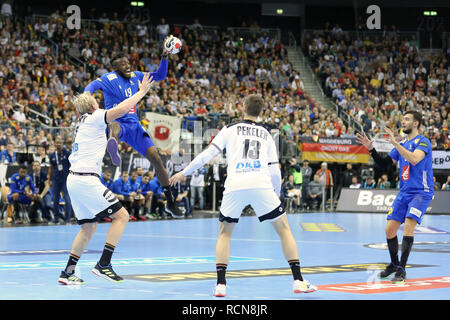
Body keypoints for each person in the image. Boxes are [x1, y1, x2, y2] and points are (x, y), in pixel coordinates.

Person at [169, 94, 317, 297]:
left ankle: (221, 285)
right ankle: (298, 280)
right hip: (261, 184)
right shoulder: (266, 133)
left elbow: (207, 154)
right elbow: (275, 170)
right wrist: (274, 195)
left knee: (224, 233)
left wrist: (183, 172)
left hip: (235, 184)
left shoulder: (229, 129)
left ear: (244, 107)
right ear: (261, 111)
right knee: (284, 230)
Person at [58, 72, 154, 285]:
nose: (98, 100)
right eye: (95, 99)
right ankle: (104, 264)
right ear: (92, 105)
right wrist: (141, 92)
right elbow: (120, 110)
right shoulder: (94, 117)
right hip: (85, 179)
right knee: (122, 216)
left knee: (88, 227)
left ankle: (68, 272)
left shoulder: (82, 121)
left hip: (74, 179)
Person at [84, 40, 183, 218]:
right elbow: (90, 86)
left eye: (128, 62)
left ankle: (170, 201)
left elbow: (160, 75)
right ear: (115, 68)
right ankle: (112, 144)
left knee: (156, 159)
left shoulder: (137, 75)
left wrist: (165, 55)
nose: (127, 65)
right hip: (118, 122)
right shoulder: (109, 78)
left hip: (134, 126)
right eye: (123, 64)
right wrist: (87, 98)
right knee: (112, 125)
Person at [356, 110, 434, 284]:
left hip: (421, 192)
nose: (403, 122)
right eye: (403, 119)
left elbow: (414, 159)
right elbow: (384, 165)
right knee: (389, 229)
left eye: (407, 119)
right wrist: (371, 149)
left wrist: (396, 144)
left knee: (408, 227)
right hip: (404, 192)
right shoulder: (402, 144)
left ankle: (401, 270)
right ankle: (393, 264)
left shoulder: (423, 142)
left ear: (416, 123)